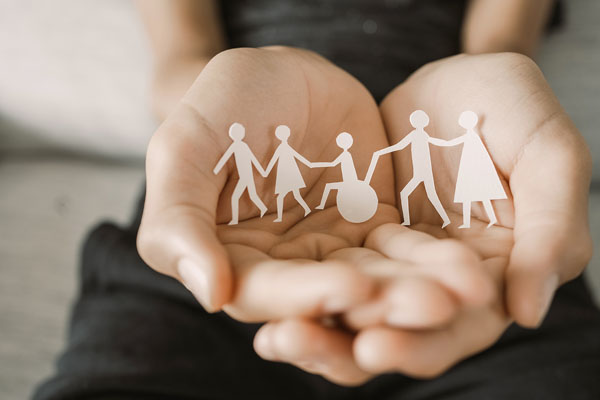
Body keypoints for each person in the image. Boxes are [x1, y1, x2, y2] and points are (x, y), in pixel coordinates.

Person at [34, 1, 600, 399]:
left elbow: (499, 48)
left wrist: (490, 79)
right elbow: (181, 63)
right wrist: (223, 117)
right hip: (235, 226)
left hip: (460, 240)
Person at [366, 110, 451, 228]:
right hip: (420, 172)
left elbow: (400, 146)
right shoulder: (419, 134)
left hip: (423, 171)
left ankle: (440, 219)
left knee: (415, 194)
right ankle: (412, 220)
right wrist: (383, 151)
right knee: (421, 195)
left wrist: (450, 143)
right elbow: (400, 145)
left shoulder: (417, 135)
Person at [429, 111, 507, 228]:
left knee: (478, 198)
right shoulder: (472, 136)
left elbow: (452, 143)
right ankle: (473, 221)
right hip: (469, 170)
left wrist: (435, 141)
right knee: (473, 198)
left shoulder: (471, 136)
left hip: (472, 171)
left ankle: (491, 219)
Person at [213, 122, 268, 225]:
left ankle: (235, 219)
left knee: (236, 197)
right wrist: (217, 169)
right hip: (246, 176)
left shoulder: (240, 146)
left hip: (245, 176)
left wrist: (262, 171)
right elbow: (226, 157)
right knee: (252, 195)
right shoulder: (238, 146)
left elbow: (252, 159)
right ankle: (263, 208)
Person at [263, 125, 312, 222]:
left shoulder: (282, 147)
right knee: (293, 196)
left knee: (282, 197)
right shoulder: (284, 147)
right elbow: (275, 160)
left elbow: (273, 160)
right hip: (289, 174)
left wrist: (266, 172)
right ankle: (306, 209)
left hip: (288, 175)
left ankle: (281, 217)